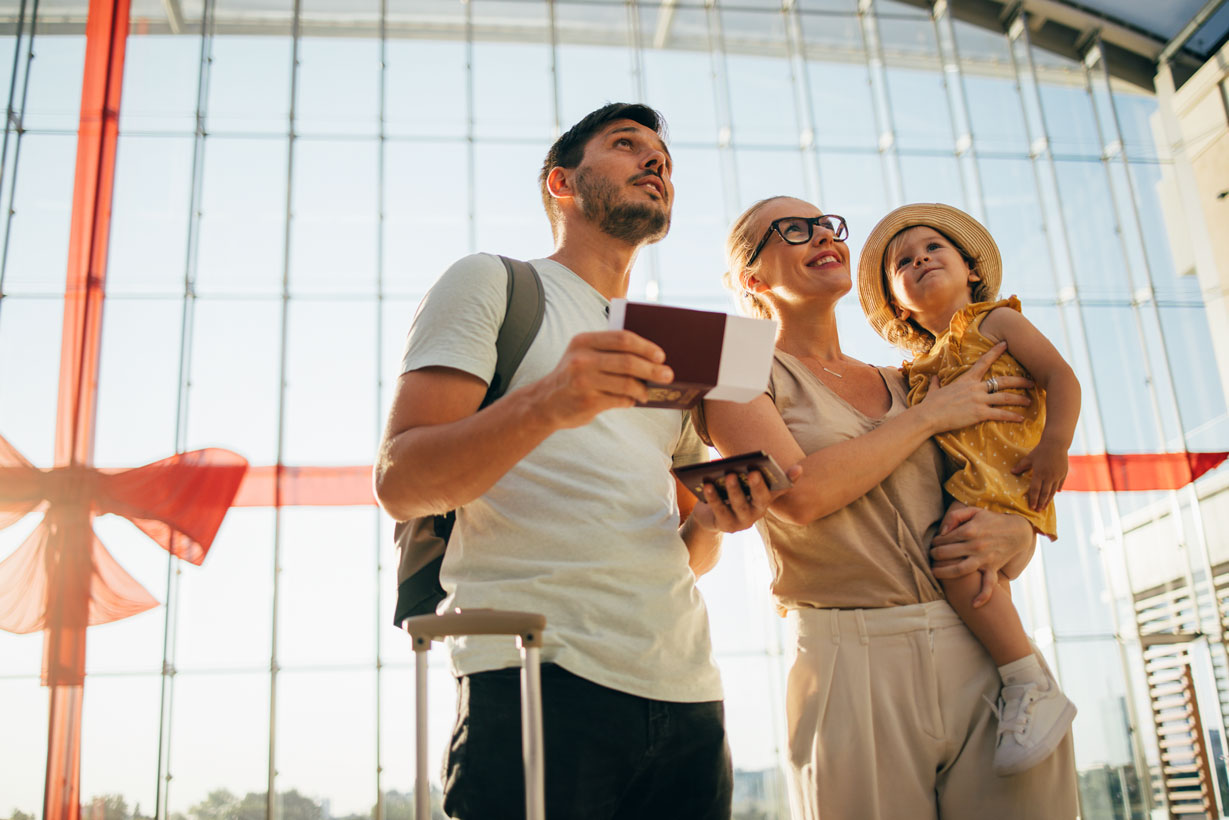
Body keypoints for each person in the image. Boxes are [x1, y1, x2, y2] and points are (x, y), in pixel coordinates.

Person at [373, 103, 777, 820]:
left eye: (663, 157)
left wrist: (713, 520)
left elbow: (688, 553)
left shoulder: (673, 344)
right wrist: (548, 401)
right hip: (535, 672)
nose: (655, 162)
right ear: (561, 183)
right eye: (627, 146)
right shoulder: (493, 283)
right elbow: (401, 482)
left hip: (686, 691)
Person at [699, 195, 1080, 819]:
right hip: (851, 660)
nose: (823, 234)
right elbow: (800, 495)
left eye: (828, 224)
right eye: (794, 229)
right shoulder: (740, 365)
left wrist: (1018, 534)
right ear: (752, 279)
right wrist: (933, 417)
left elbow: (993, 475)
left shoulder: (915, 377)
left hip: (985, 651)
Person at [858, 202, 1081, 776]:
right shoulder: (915, 373)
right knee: (965, 567)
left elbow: (1060, 376)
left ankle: (1027, 682)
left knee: (958, 563)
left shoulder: (996, 324)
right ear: (898, 303)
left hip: (1011, 475)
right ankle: (1021, 684)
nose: (921, 260)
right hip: (966, 486)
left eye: (934, 249)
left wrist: (1056, 443)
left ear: (971, 270)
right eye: (903, 263)